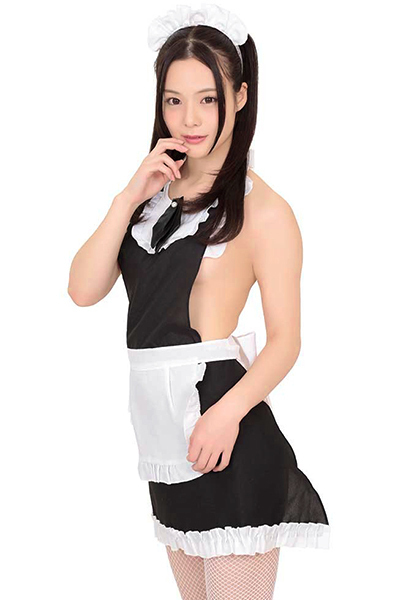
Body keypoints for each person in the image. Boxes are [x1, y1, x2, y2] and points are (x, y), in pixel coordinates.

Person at [68, 3, 330, 598]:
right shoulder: (150, 199)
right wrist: (128, 195)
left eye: (208, 99)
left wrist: (227, 414)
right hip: (164, 442)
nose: (189, 119)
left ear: (240, 96)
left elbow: (286, 341)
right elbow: (83, 290)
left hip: (224, 434)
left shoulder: (264, 210)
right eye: (174, 99)